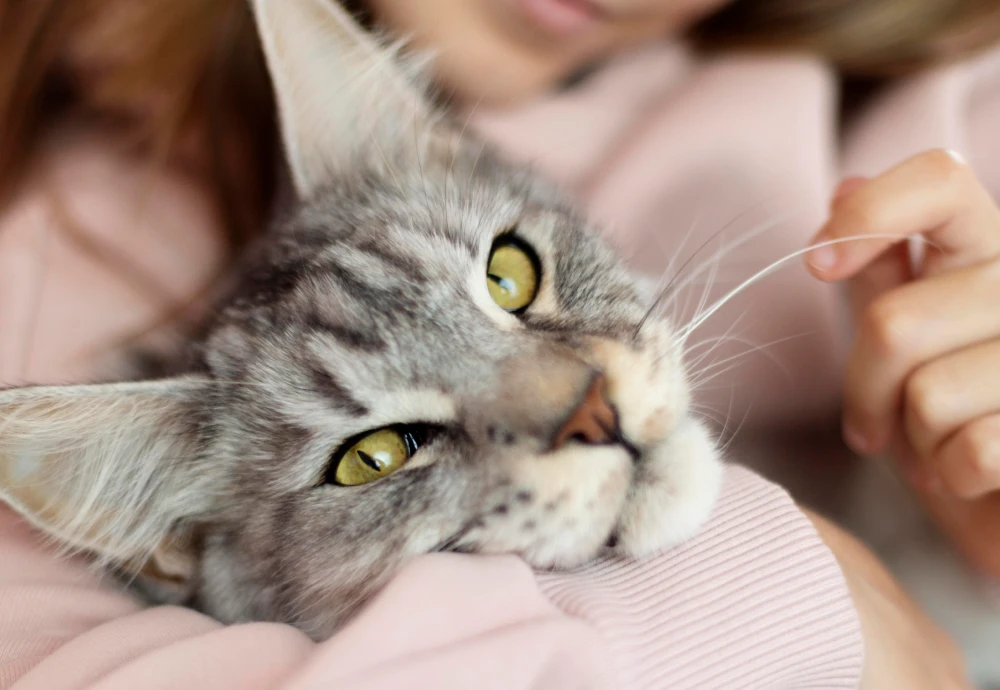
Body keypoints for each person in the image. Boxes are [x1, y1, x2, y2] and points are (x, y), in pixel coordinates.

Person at [1, 0, 998, 687]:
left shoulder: (945, 102)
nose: (571, 397)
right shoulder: (57, 257)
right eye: (380, 453)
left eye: (511, 277)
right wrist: (788, 583)